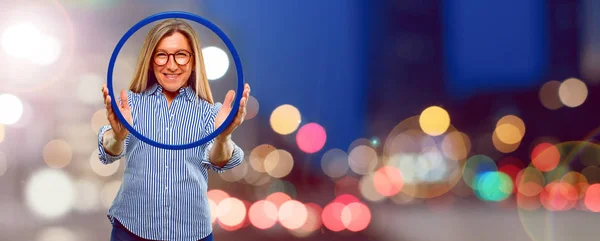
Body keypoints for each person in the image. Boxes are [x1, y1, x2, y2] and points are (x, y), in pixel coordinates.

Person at [98, 18, 250, 241]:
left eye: (181, 54)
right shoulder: (130, 104)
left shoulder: (210, 113)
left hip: (193, 234)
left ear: (193, 61)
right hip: (131, 230)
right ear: (150, 61)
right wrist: (117, 136)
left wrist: (223, 137)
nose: (171, 65)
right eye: (162, 55)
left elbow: (220, 161)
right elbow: (109, 151)